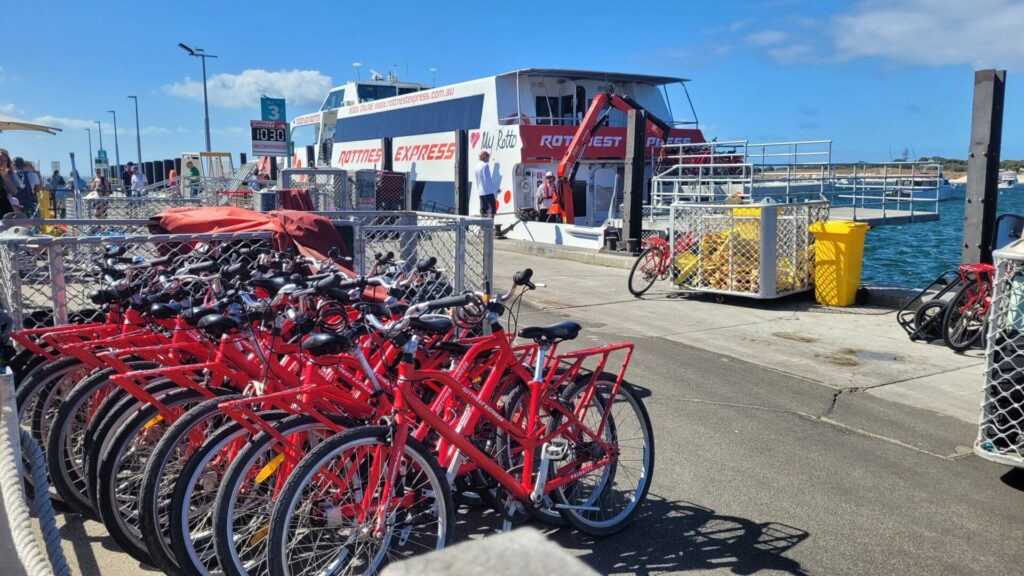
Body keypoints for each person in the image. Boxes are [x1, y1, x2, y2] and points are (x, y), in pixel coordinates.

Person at [474, 151, 497, 217]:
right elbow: (488, 180)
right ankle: (490, 225)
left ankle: (482, 226)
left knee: (483, 210)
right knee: (492, 210)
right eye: (488, 157)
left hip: (481, 192)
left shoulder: (477, 166)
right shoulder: (485, 166)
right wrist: (496, 189)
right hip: (488, 192)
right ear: (485, 157)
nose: (489, 158)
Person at [0, 149, 16, 216]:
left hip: (4, 207)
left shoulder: (7, 174)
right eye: (0, 159)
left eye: (5, 160)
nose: (3, 162)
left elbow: (14, 191)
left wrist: (4, 176)